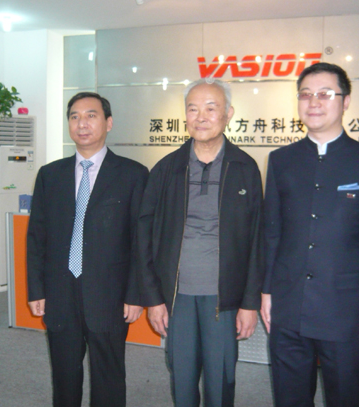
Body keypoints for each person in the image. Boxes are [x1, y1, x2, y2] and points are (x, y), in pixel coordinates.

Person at [261, 62, 359, 407]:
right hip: (288, 304)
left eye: (325, 94)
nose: (314, 102)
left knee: (344, 397)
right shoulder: (281, 160)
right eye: (305, 94)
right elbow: (271, 233)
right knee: (289, 397)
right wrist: (266, 290)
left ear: (346, 101)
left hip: (344, 310)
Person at [137, 78, 264, 407]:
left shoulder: (245, 168)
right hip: (176, 296)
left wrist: (250, 303)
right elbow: (145, 237)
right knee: (181, 376)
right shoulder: (166, 169)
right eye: (192, 109)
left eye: (211, 108)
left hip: (224, 297)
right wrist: (153, 298)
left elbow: (257, 241)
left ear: (228, 114)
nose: (201, 117)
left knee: (221, 378)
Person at [27, 92, 148, 407]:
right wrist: (36, 289)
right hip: (59, 293)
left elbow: (141, 240)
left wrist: (136, 294)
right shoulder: (49, 175)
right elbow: (37, 236)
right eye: (74, 116)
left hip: (110, 295)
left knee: (109, 377)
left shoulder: (133, 174)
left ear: (108, 123)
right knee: (64, 377)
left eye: (91, 115)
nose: (82, 123)